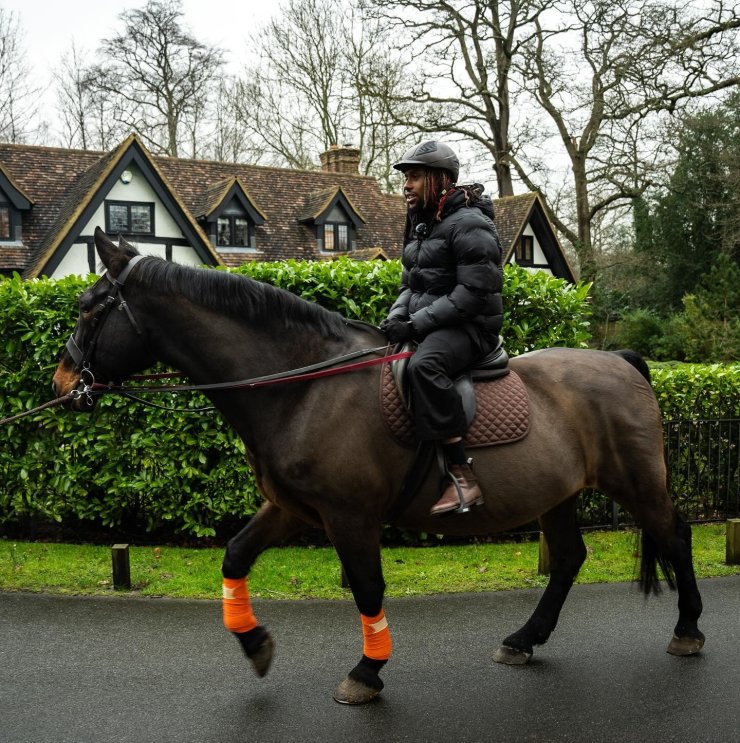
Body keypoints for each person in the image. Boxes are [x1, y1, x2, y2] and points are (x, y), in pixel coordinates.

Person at [380, 140, 503, 516]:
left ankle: (463, 475)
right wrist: (397, 318)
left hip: (472, 327)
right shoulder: (422, 224)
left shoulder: (469, 223)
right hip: (435, 323)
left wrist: (415, 323)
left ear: (440, 180)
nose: (407, 185)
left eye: (414, 177)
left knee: (424, 366)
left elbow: (473, 294)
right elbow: (411, 285)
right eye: (405, 177)